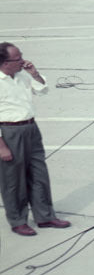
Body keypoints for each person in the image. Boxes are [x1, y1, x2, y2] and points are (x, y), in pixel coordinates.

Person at [0, 42, 71, 236]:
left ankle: (45, 216)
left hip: (31, 128)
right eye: (17, 59)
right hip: (9, 132)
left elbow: (42, 90)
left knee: (39, 174)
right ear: (5, 63)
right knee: (13, 180)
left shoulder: (23, 75)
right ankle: (18, 220)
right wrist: (2, 146)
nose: (22, 61)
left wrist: (34, 73)